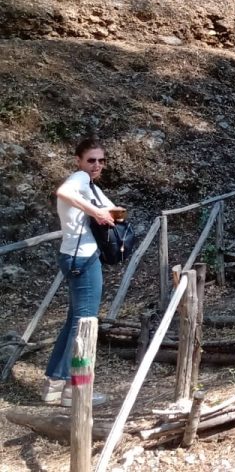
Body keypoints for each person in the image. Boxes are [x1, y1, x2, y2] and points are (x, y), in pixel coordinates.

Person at [43, 136, 124, 406]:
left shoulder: (89, 186)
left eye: (101, 160)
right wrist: (96, 212)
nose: (97, 165)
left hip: (77, 257)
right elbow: (63, 193)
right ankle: (74, 391)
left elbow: (111, 210)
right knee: (85, 324)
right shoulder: (78, 179)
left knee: (74, 322)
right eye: (91, 160)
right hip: (83, 259)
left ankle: (54, 384)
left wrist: (107, 213)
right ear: (79, 161)